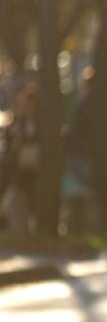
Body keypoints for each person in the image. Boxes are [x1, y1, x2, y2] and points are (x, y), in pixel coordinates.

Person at [1, 85, 42, 234]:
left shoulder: (41, 125)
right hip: (19, 171)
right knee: (15, 201)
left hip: (36, 171)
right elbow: (9, 148)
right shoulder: (16, 124)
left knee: (33, 200)